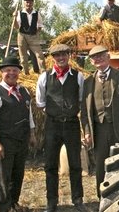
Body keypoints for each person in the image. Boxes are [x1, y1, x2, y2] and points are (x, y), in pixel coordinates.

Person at [81, 45, 119, 197]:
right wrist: (87, 132)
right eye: (95, 57)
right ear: (91, 61)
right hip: (99, 130)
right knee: (101, 166)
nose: (98, 59)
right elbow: (84, 110)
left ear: (108, 57)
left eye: (101, 56)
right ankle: (103, 198)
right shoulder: (88, 82)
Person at [35, 44, 88, 212]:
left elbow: (81, 100)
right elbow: (40, 102)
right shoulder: (44, 77)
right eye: (57, 56)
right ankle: (52, 201)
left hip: (72, 124)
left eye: (64, 55)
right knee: (50, 164)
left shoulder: (78, 77)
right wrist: (55, 113)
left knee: (75, 164)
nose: (61, 58)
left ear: (69, 56)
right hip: (52, 125)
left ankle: (78, 199)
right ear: (53, 58)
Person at [0, 56, 37, 212]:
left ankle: (14, 203)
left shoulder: (23, 91)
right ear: (1, 72)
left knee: (17, 174)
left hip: (21, 141)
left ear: (19, 72)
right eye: (8, 70)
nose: (11, 73)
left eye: (15, 70)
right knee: (2, 178)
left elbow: (30, 115)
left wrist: (32, 134)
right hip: (4, 142)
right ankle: (4, 208)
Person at [12, 0, 46, 75]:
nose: (28, 3)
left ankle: (43, 73)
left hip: (33, 36)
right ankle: (25, 73)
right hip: (22, 36)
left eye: (30, 2)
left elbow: (40, 25)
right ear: (24, 3)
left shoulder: (37, 13)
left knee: (40, 55)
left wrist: (36, 33)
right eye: (27, 2)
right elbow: (16, 27)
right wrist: (14, 18)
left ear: (32, 3)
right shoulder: (20, 13)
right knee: (23, 57)